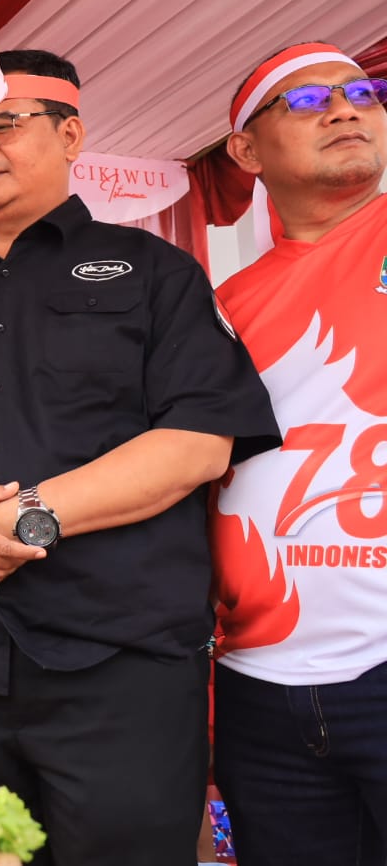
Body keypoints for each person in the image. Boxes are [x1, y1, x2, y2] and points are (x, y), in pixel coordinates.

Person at [0, 0, 281, 866]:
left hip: (118, 662)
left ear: (71, 135)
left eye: (5, 123)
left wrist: (22, 519)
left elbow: (200, 439)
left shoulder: (152, 272)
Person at [211, 42, 387, 866]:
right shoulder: (220, 306)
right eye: (309, 102)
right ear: (246, 151)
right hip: (258, 687)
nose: (348, 108)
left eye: (363, 91)